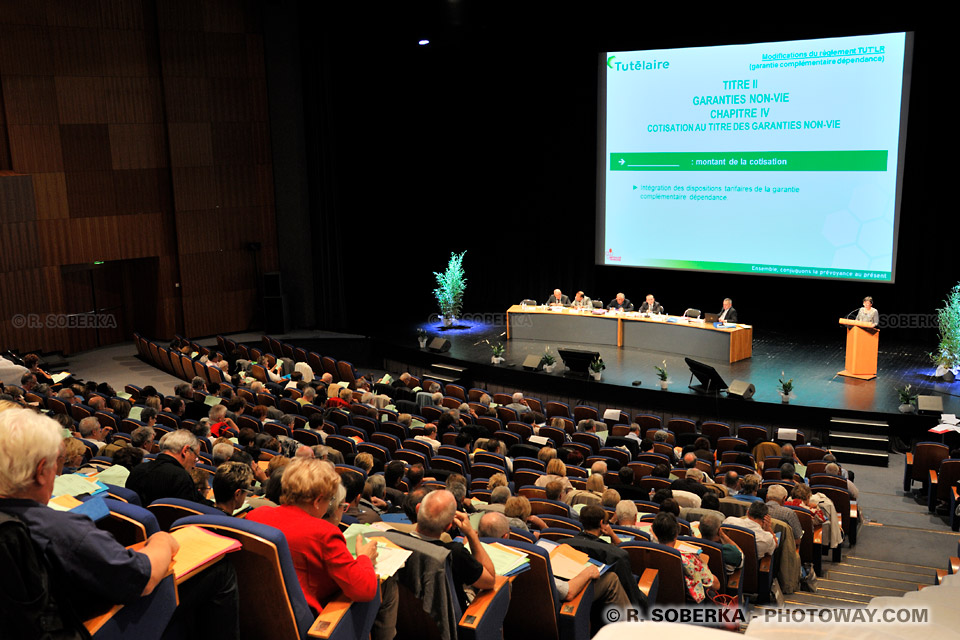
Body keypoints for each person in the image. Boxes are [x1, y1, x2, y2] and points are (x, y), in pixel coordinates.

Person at [0, 407, 240, 639]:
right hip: (86, 626)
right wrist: (162, 542)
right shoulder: (62, 530)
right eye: (57, 463)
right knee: (220, 570)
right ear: (42, 471)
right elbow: (142, 577)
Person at [246, 458, 397, 639]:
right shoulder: (324, 533)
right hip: (313, 624)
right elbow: (364, 590)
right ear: (318, 501)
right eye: (330, 499)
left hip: (260, 616)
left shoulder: (255, 516)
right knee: (383, 584)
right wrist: (364, 558)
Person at [409, 489, 495, 609]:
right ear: (448, 526)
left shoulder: (392, 538)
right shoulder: (454, 553)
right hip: (452, 621)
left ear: (418, 509)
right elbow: (490, 580)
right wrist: (470, 534)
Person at [127, 429, 211, 506]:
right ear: (185, 450)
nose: (194, 465)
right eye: (196, 457)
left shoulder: (137, 469)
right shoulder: (181, 477)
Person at [651, 512, 718, 603]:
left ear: (655, 532)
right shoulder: (688, 559)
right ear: (676, 534)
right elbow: (716, 585)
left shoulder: (647, 553)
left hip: (657, 601)